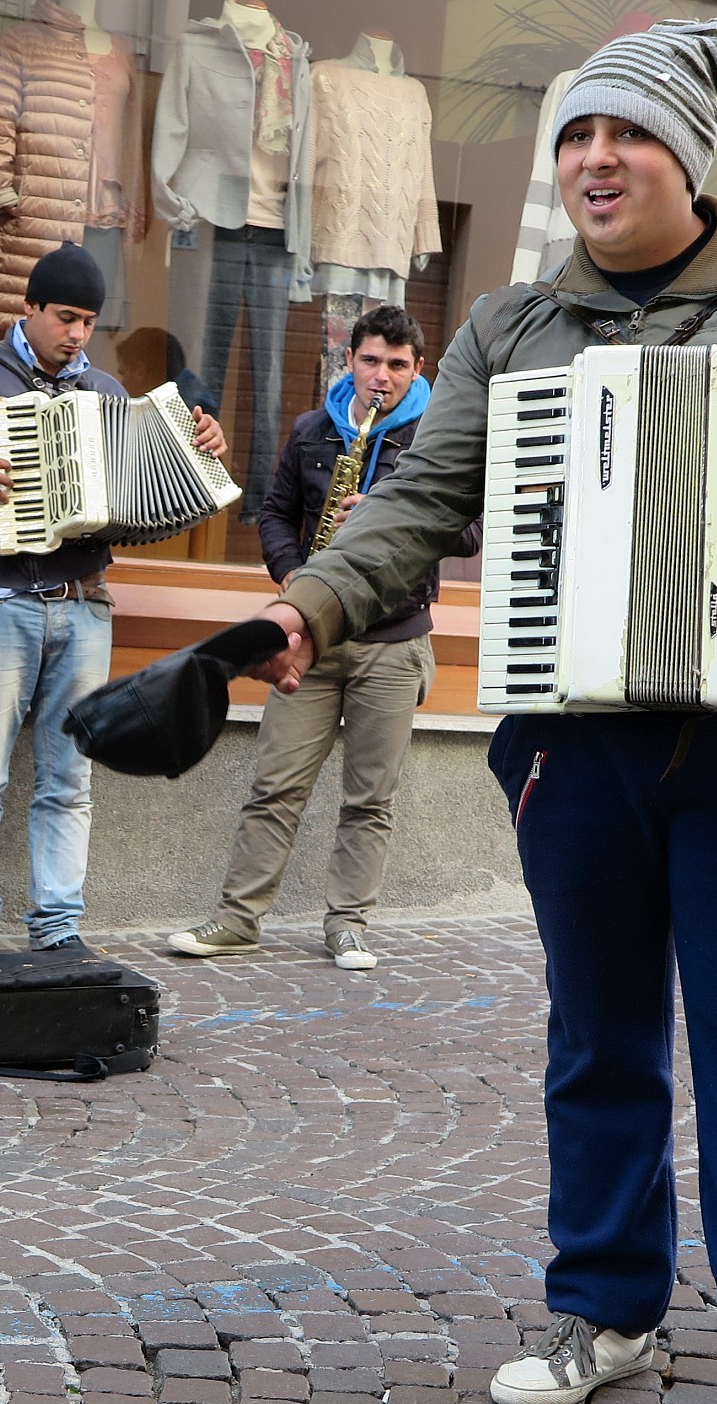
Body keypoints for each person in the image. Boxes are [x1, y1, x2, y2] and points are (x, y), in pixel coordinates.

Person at [245, 21, 717, 1404]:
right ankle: (604, 1311)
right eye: (574, 138)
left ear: (688, 155)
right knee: (596, 1040)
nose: (595, 160)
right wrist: (310, 603)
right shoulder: (509, 327)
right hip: (573, 747)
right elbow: (426, 496)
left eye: (625, 135)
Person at [0, 244, 226, 955]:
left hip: (85, 603)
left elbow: (156, 480)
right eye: (65, 317)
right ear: (28, 309)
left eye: (89, 321)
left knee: (70, 776)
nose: (77, 334)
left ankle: (58, 927)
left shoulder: (109, 394)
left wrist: (201, 443)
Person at [169, 305, 472, 971]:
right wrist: (294, 576)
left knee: (370, 795)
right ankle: (238, 918)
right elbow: (275, 513)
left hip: (392, 640)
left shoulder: (437, 443)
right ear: (351, 361)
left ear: (418, 370)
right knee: (275, 784)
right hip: (309, 638)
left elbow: (471, 534)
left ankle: (349, 924)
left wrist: (398, 513)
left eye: (397, 365)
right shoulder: (312, 431)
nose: (381, 376)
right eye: (370, 361)